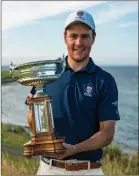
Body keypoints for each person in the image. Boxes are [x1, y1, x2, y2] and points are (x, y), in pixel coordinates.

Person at [27, 10, 120, 175]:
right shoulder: (47, 74)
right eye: (73, 36)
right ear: (65, 37)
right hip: (49, 169)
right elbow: (33, 121)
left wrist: (74, 149)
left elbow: (107, 133)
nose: (79, 42)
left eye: (85, 36)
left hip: (88, 170)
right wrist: (32, 112)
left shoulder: (105, 80)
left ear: (94, 38)